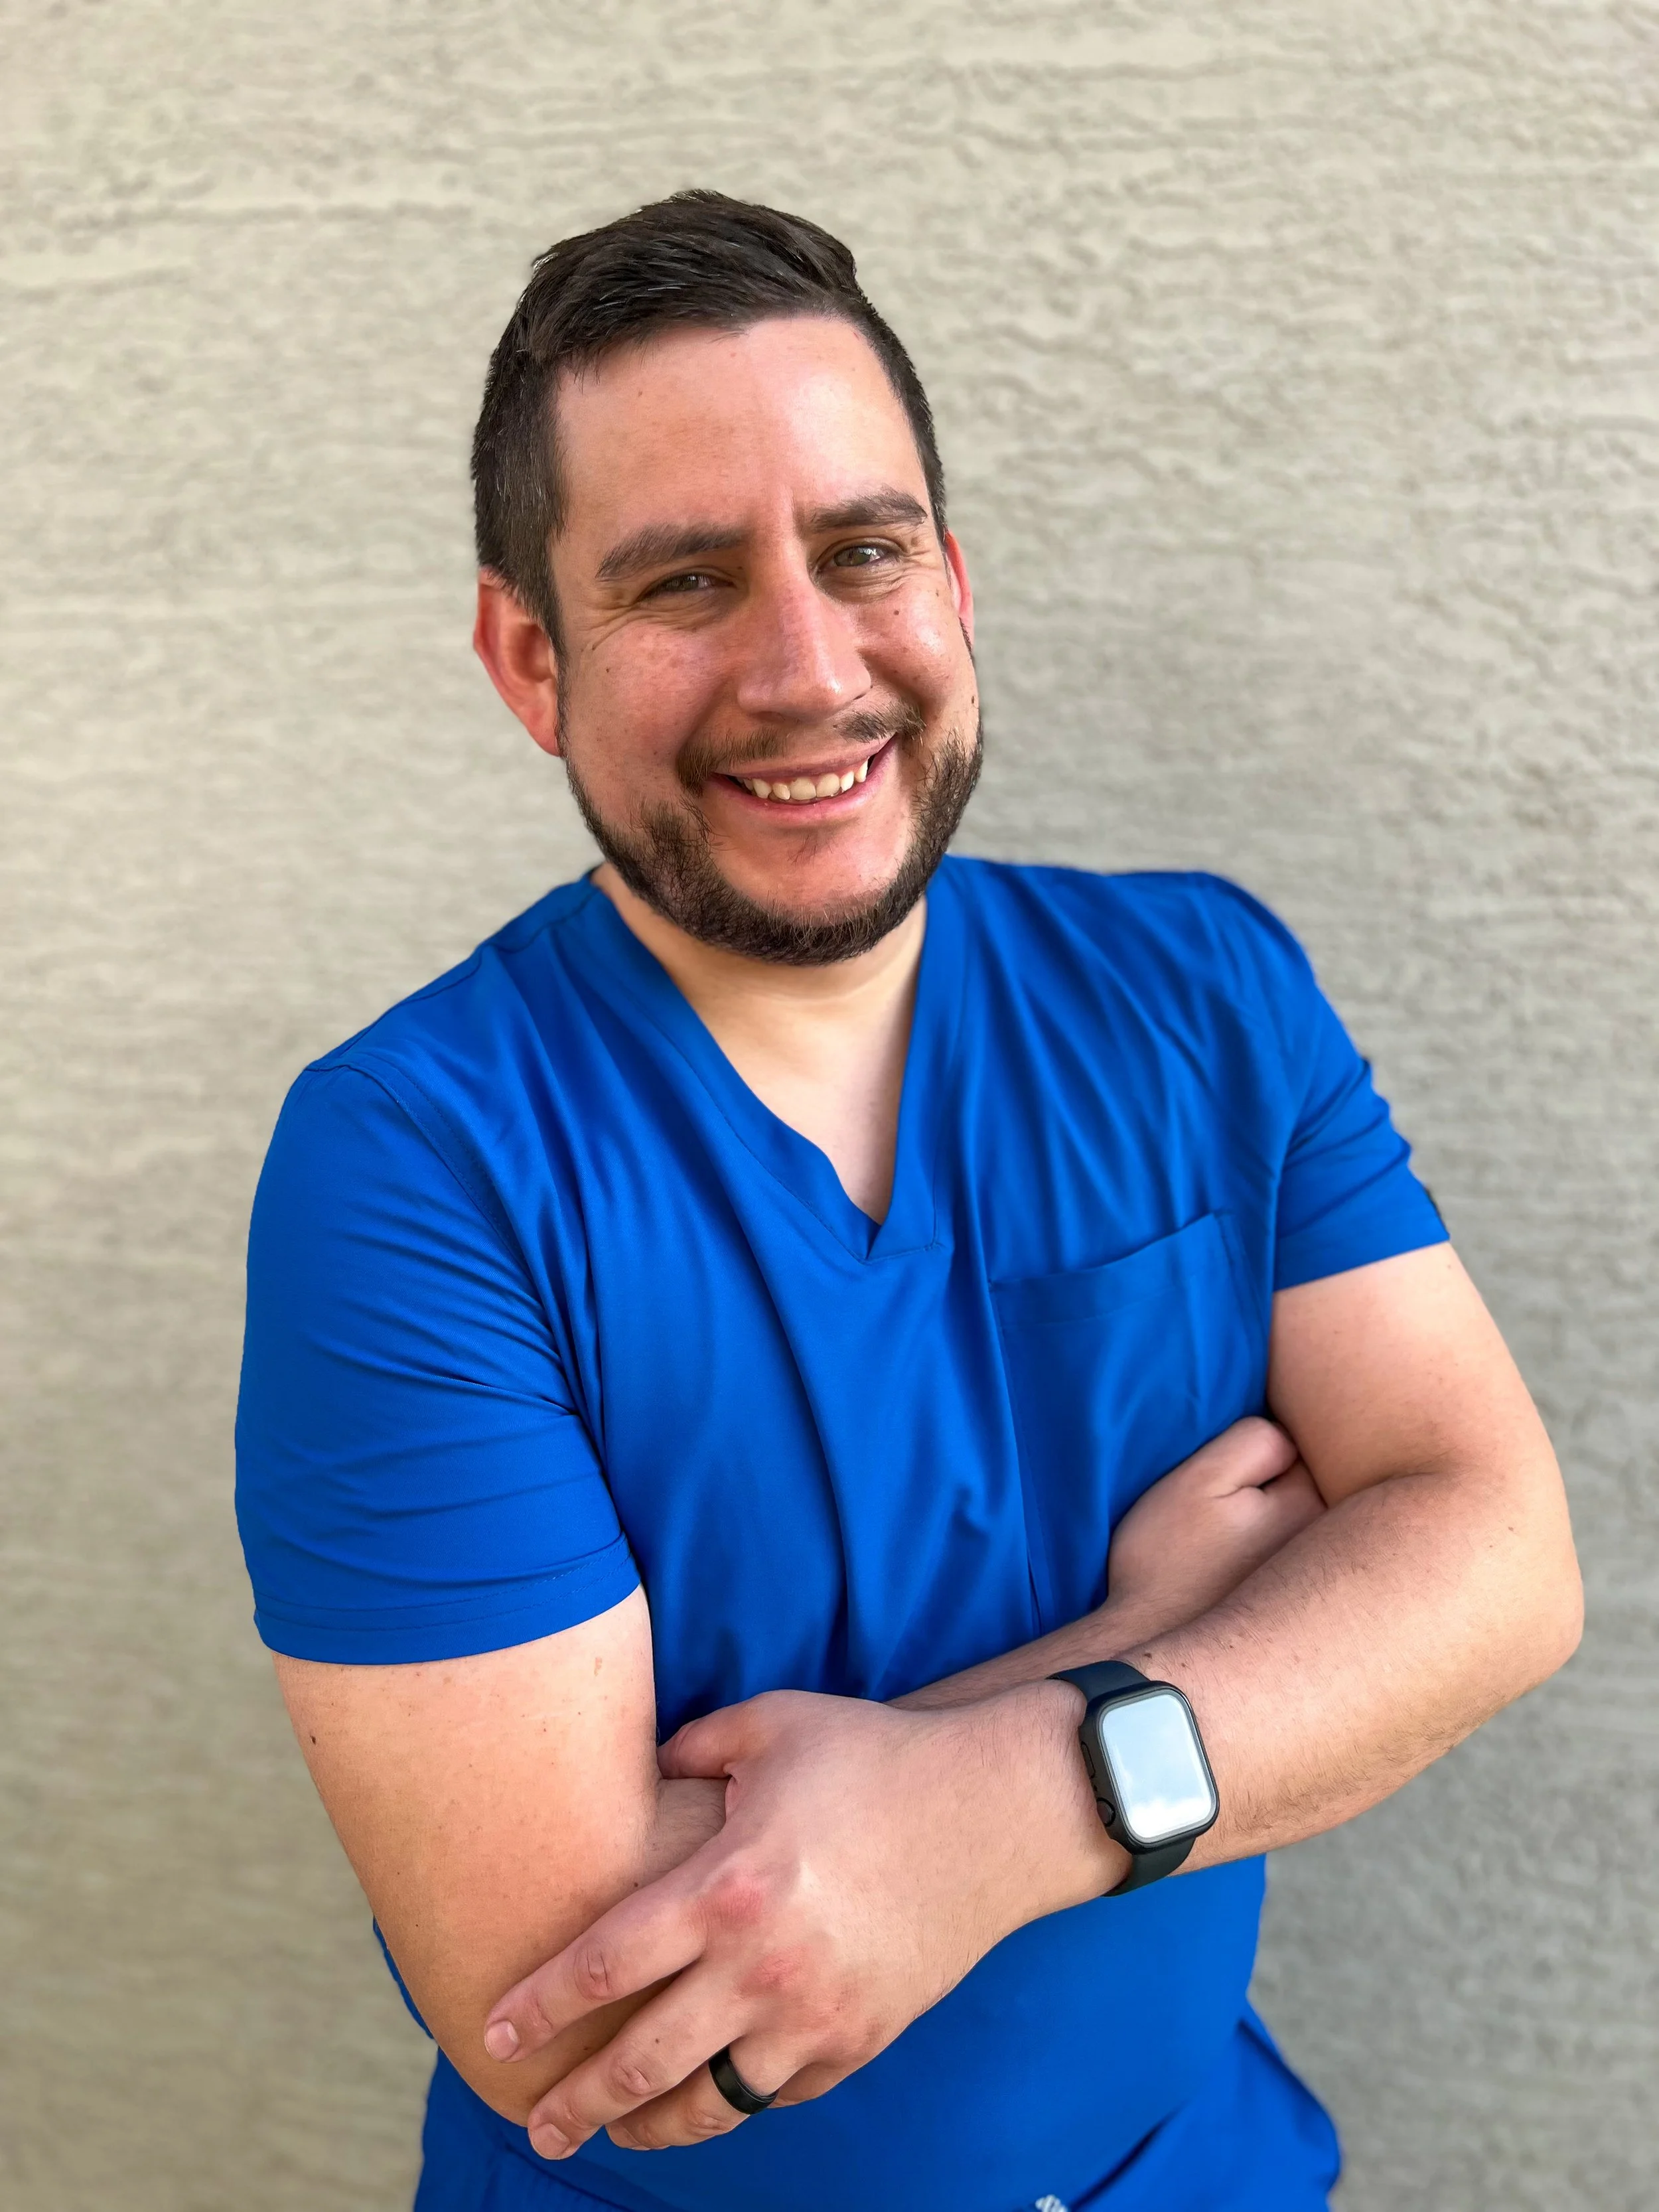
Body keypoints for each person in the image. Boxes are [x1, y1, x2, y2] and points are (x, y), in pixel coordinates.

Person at [234, 190, 1582, 2212]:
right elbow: (574, 1998)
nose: (806, 667)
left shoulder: (1205, 996)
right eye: (685, 580)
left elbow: (1498, 1562)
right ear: (531, 656)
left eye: (862, 551)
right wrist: (1164, 1625)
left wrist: (988, 1804)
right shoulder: (419, 1165)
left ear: (949, 582)